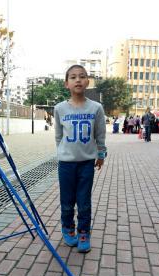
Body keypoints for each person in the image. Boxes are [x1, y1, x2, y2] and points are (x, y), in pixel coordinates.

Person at [54, 65, 107, 253]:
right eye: (73, 77)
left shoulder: (96, 108)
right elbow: (58, 137)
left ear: (87, 82)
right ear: (66, 83)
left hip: (86, 164)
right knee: (67, 200)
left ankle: (84, 232)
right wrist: (62, 154)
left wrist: (101, 154)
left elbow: (100, 134)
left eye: (82, 76)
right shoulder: (59, 108)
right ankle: (67, 228)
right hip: (66, 164)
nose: (78, 80)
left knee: (84, 201)